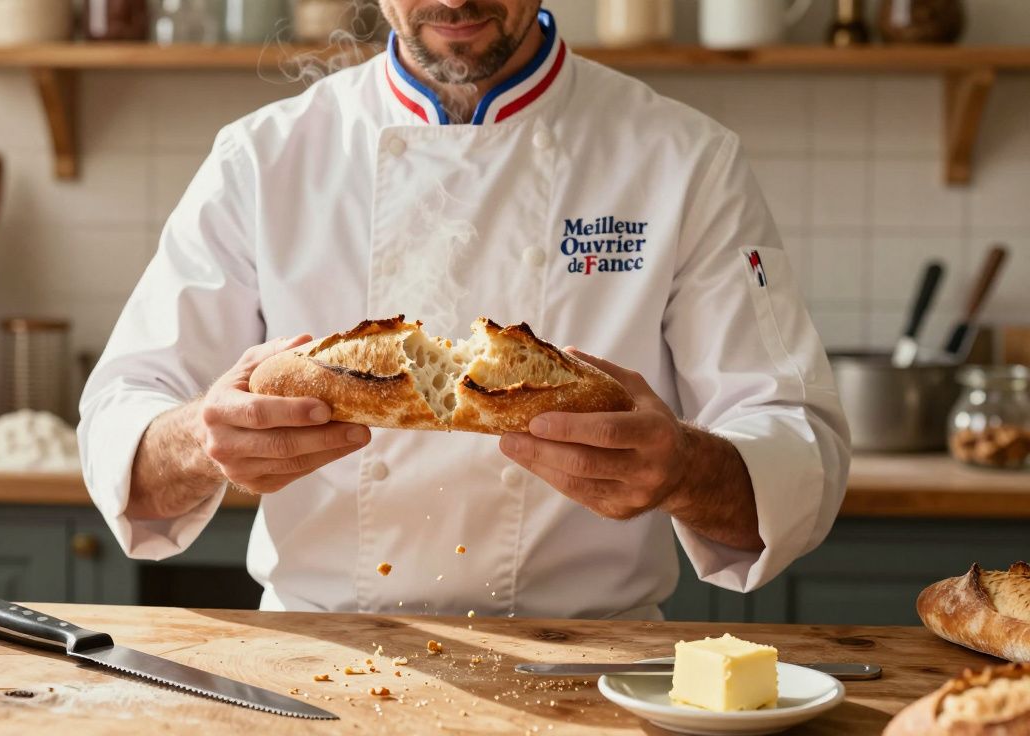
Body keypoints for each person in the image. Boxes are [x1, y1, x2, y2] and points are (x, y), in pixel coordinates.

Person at [78, 0, 850, 619]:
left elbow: (799, 449)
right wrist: (202, 439)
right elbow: (121, 437)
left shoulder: (685, 160)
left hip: (590, 660)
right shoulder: (262, 159)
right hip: (317, 657)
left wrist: (681, 469)